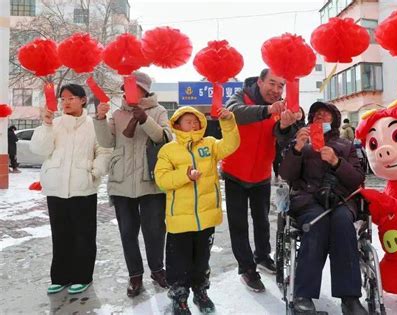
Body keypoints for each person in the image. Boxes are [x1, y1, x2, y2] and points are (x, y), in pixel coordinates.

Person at [278, 101, 368, 315]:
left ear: (334, 121)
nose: (321, 119)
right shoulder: (301, 141)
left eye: (325, 116)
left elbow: (357, 179)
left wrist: (337, 162)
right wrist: (297, 149)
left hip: (340, 200)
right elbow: (287, 175)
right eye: (317, 115)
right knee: (314, 225)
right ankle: (303, 295)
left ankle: (350, 298)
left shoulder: (346, 146)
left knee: (343, 224)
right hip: (308, 200)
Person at [155, 106, 240, 315]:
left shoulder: (210, 144)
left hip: (206, 217)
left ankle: (201, 292)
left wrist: (228, 121)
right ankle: (179, 298)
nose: (192, 124)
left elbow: (231, 144)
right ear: (177, 125)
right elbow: (162, 180)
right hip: (179, 221)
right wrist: (186, 177)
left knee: (201, 261)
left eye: (195, 121)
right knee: (178, 263)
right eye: (187, 121)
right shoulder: (168, 150)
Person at [94, 71, 171, 297]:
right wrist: (99, 118)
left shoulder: (159, 111)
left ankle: (157, 269)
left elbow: (164, 138)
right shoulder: (117, 114)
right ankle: (134, 275)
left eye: (133, 88)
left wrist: (145, 119)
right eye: (125, 88)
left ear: (144, 90)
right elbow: (106, 141)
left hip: (151, 181)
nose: (127, 92)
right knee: (127, 232)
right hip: (121, 181)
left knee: (154, 231)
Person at [30, 84, 111, 295]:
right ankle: (60, 277)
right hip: (56, 187)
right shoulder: (54, 124)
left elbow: (104, 151)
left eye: (71, 98)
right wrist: (46, 125)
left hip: (83, 187)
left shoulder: (94, 125)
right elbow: (40, 150)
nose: (65, 102)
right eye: (63, 99)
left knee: (83, 235)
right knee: (60, 234)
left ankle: (82, 276)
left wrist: (95, 171)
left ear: (83, 100)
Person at [221, 68, 287, 292]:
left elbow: (282, 137)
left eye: (281, 86)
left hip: (261, 174)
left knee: (262, 221)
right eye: (272, 83)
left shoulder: (282, 107)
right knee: (238, 224)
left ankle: (262, 256)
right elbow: (234, 112)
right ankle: (247, 269)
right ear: (259, 81)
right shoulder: (239, 97)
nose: (276, 90)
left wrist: (289, 124)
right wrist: (267, 110)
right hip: (235, 173)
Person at [273, 107, 305, 185]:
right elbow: (282, 135)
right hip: (285, 149)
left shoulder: (305, 124)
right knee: (278, 161)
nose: (298, 114)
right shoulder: (289, 124)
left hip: (300, 154)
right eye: (296, 112)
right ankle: (277, 176)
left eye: (300, 112)